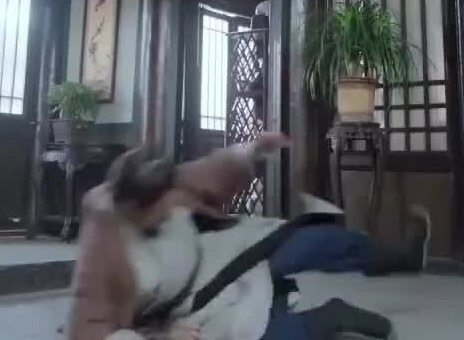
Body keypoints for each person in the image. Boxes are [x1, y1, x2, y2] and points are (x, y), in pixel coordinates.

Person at [67, 134, 431, 340]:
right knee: (272, 332)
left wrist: (251, 150)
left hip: (225, 251)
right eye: (158, 212)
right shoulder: (104, 251)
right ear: (133, 209)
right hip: (197, 309)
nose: (168, 213)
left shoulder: (160, 185)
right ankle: (333, 316)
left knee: (313, 241)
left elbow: (209, 171)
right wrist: (163, 338)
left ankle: (402, 257)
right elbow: (93, 333)